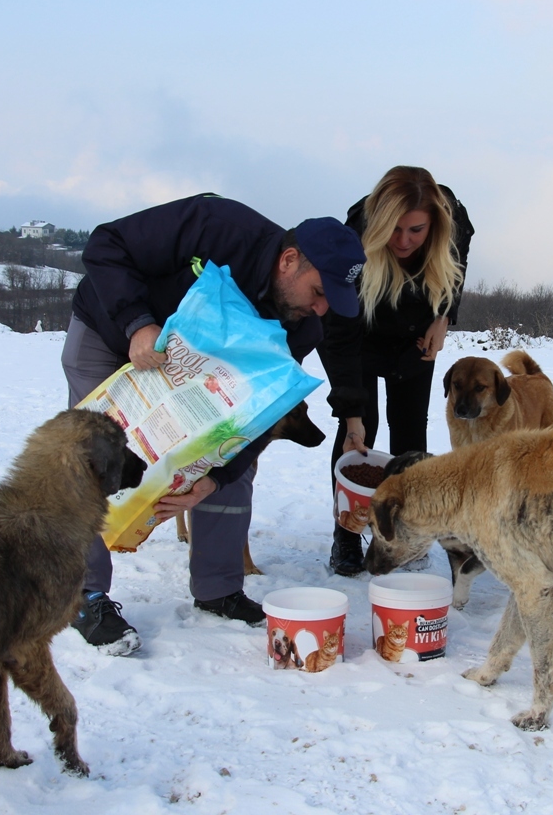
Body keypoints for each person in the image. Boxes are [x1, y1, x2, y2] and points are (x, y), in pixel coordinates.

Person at [63, 193, 365, 653]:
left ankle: (218, 588)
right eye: (320, 293)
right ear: (289, 261)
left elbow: (259, 411)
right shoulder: (217, 225)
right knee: (90, 458)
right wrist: (137, 324)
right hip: (116, 333)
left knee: (231, 470)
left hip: (198, 383)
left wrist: (216, 476)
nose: (321, 310)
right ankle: (82, 595)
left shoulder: (301, 327)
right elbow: (106, 245)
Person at [318, 166, 474, 576]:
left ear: (435, 226)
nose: (404, 241)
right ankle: (347, 536)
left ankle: (407, 531)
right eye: (395, 230)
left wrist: (444, 315)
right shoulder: (354, 236)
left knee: (409, 433)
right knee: (359, 433)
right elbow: (339, 332)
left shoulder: (450, 221)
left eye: (416, 231)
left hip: (414, 337)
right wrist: (351, 414)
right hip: (359, 334)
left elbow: (458, 263)